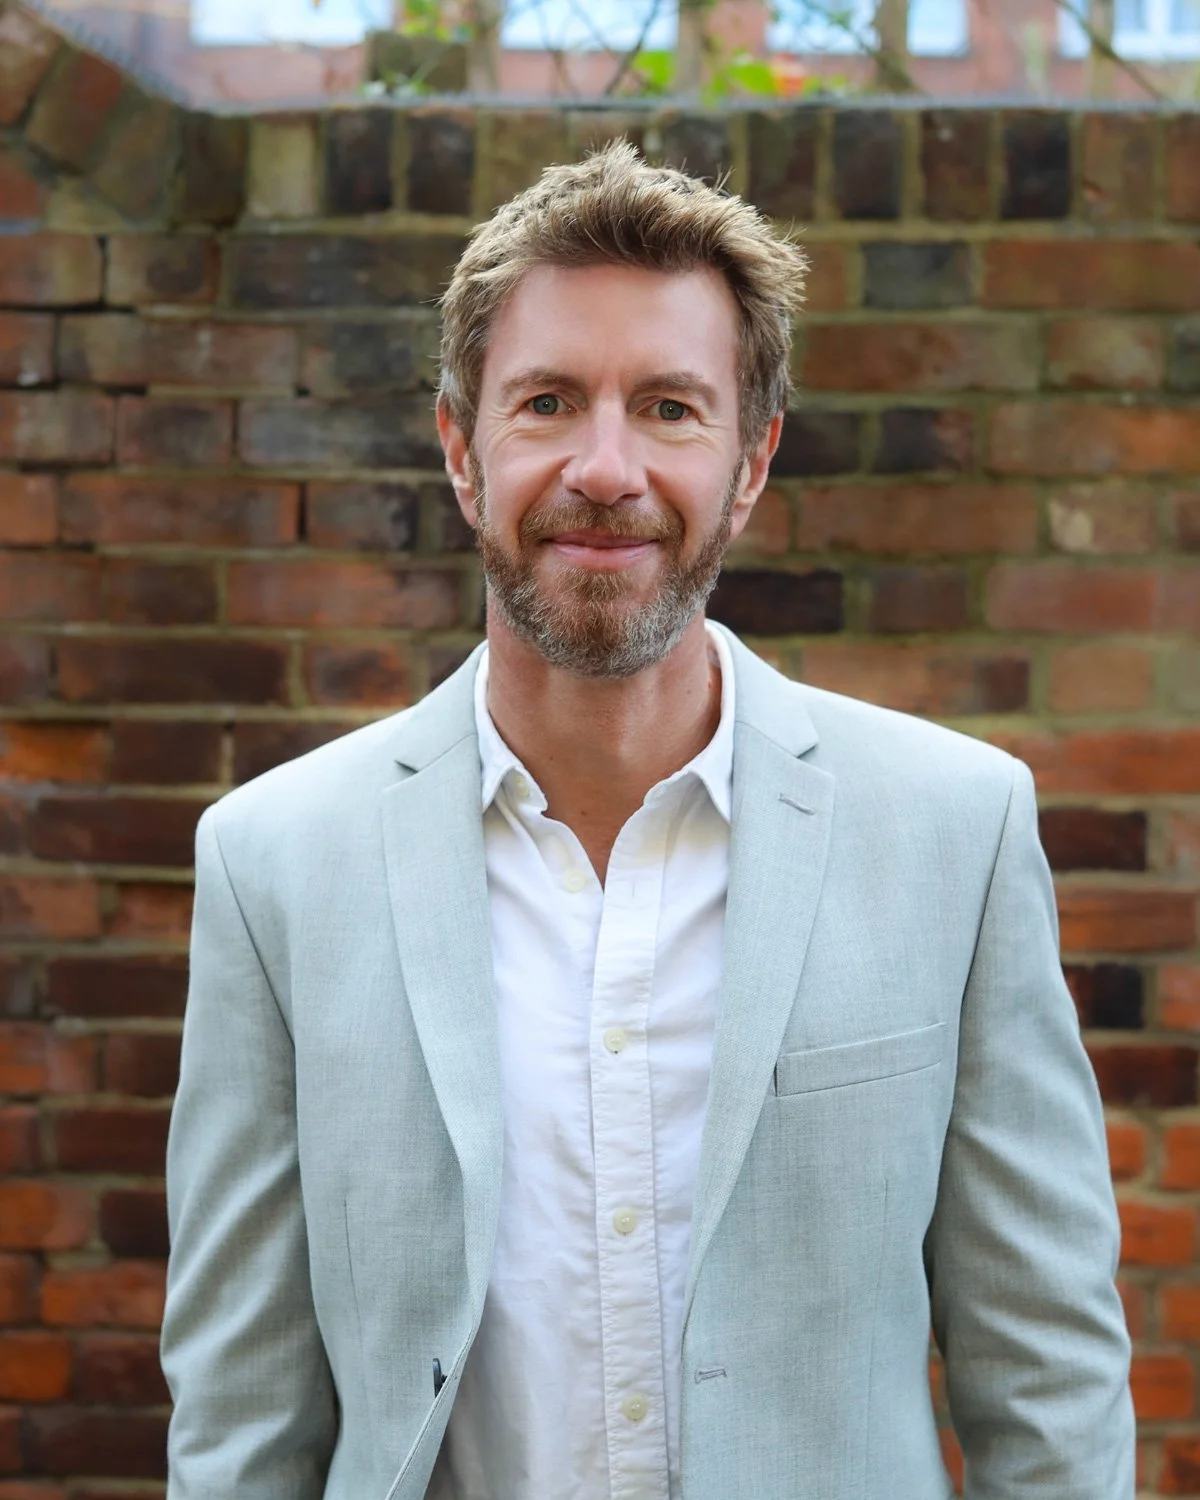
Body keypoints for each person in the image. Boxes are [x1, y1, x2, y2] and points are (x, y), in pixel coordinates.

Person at [161, 143, 1134, 1500]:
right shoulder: (274, 865)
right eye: (548, 402)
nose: (605, 468)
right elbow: (240, 1418)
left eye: (670, 408)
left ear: (750, 462)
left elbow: (1048, 1384)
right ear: (462, 450)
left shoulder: (953, 834)